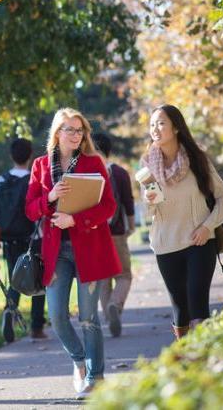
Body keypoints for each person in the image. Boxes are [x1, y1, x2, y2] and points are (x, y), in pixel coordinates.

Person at [24, 108, 121, 398]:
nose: (76, 135)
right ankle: (79, 362)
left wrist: (76, 220)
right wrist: (49, 197)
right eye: (70, 129)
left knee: (89, 317)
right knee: (56, 316)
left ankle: (96, 377)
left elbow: (109, 206)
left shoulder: (93, 162)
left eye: (80, 130)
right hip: (56, 252)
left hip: (90, 248)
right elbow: (30, 210)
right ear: (57, 133)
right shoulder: (41, 166)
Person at [140, 104, 223, 340]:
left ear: (176, 127)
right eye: (152, 125)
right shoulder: (148, 165)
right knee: (180, 311)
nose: (155, 129)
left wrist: (207, 226)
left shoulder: (196, 159)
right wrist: (149, 200)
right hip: (165, 245)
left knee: (198, 306)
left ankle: (202, 361)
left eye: (161, 123)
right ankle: (186, 362)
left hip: (199, 243)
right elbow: (150, 212)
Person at [0, 138, 47, 341]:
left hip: (8, 239)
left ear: (11, 156)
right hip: (32, 237)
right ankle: (37, 327)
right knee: (37, 280)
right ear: (30, 155)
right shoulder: (34, 181)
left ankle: (10, 311)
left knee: (15, 279)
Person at [92, 132, 135, 338]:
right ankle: (115, 305)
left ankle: (109, 317)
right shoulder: (118, 172)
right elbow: (128, 201)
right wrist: (131, 225)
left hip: (94, 234)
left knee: (103, 279)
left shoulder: (87, 173)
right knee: (124, 275)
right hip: (116, 232)